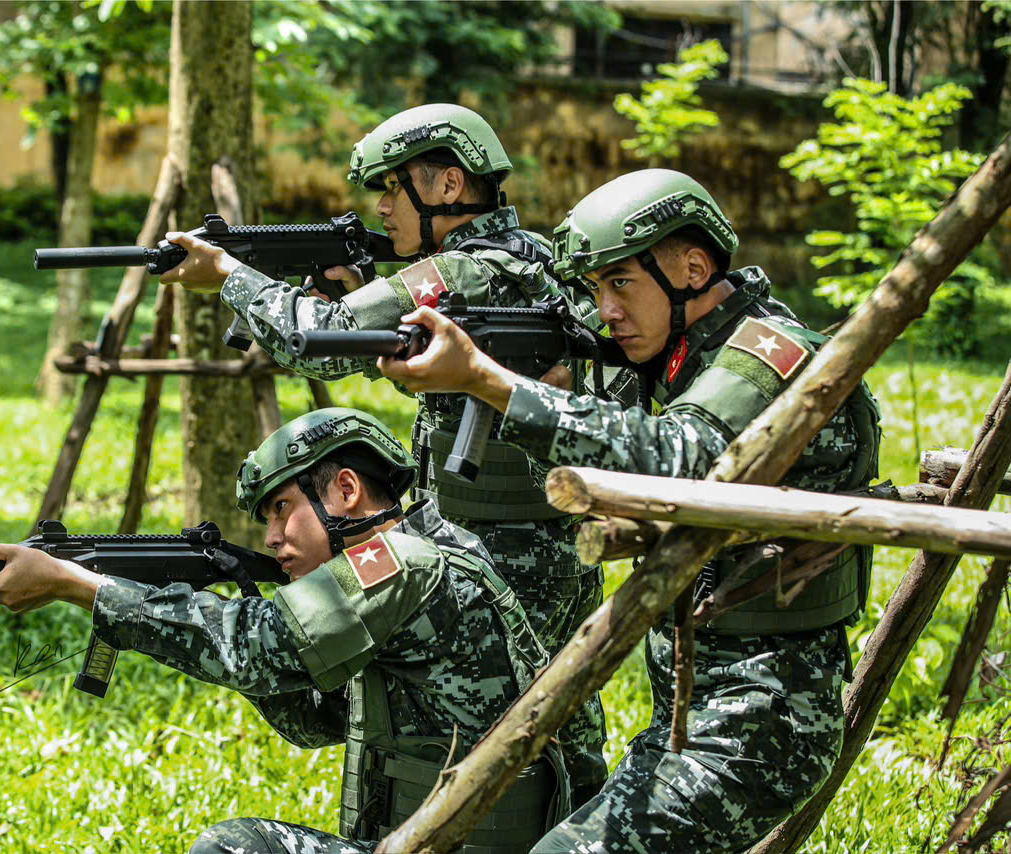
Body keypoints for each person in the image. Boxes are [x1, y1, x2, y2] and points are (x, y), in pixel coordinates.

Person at [378, 168, 883, 853]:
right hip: (686, 712)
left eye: (620, 284)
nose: (605, 309)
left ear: (694, 269)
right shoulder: (679, 353)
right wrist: (534, 378)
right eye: (594, 289)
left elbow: (683, 454)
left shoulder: (770, 354)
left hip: (761, 724)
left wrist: (493, 384)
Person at [156, 103, 607, 804]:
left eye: (394, 188)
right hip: (543, 546)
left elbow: (326, 339)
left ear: (449, 187)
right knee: (533, 722)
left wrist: (229, 276)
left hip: (499, 553)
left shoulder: (465, 270)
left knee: (474, 735)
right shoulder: (530, 258)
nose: (382, 207)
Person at [0, 407, 567, 854]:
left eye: (282, 508)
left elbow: (253, 646)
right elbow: (312, 719)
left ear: (346, 490)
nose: (271, 538)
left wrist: (79, 585)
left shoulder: (395, 565)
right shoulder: (431, 546)